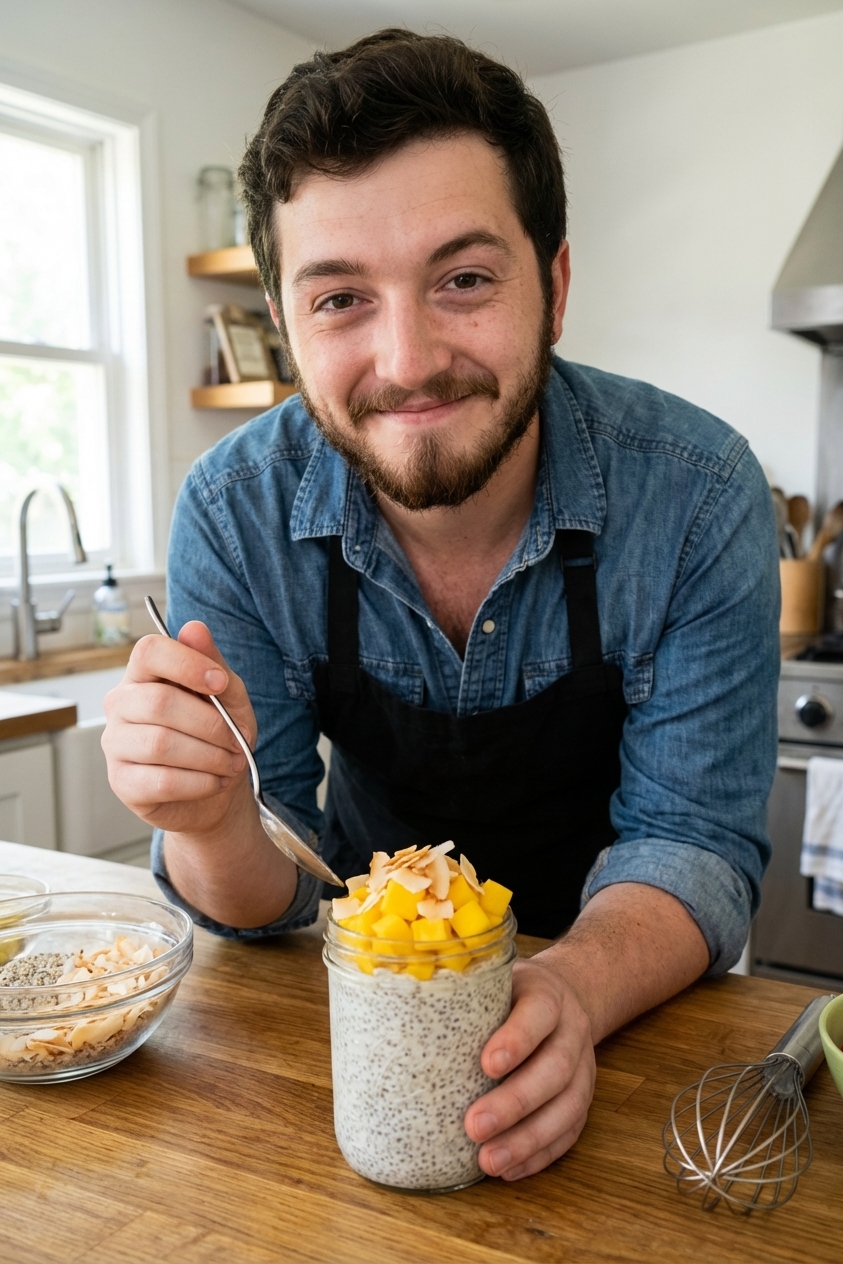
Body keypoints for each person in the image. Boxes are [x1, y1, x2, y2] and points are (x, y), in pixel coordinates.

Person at [102, 30, 779, 1182]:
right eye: (341, 298)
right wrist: (209, 821)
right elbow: (267, 887)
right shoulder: (234, 508)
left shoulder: (702, 493)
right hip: (364, 1009)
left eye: (464, 280)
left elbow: (695, 841)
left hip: (632, 1014)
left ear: (553, 285)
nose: (407, 359)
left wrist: (567, 984)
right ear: (283, 319)